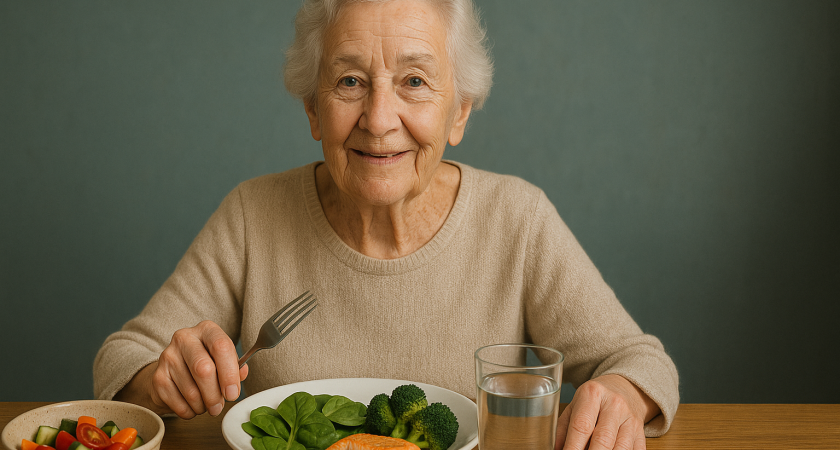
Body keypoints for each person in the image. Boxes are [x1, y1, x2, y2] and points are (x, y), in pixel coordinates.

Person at [94, 0, 679, 448]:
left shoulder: (516, 219)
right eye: (349, 81)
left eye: (415, 82)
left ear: (460, 111)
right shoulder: (253, 214)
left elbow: (641, 360)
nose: (378, 119)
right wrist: (163, 377)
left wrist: (621, 394)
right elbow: (122, 358)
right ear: (312, 108)